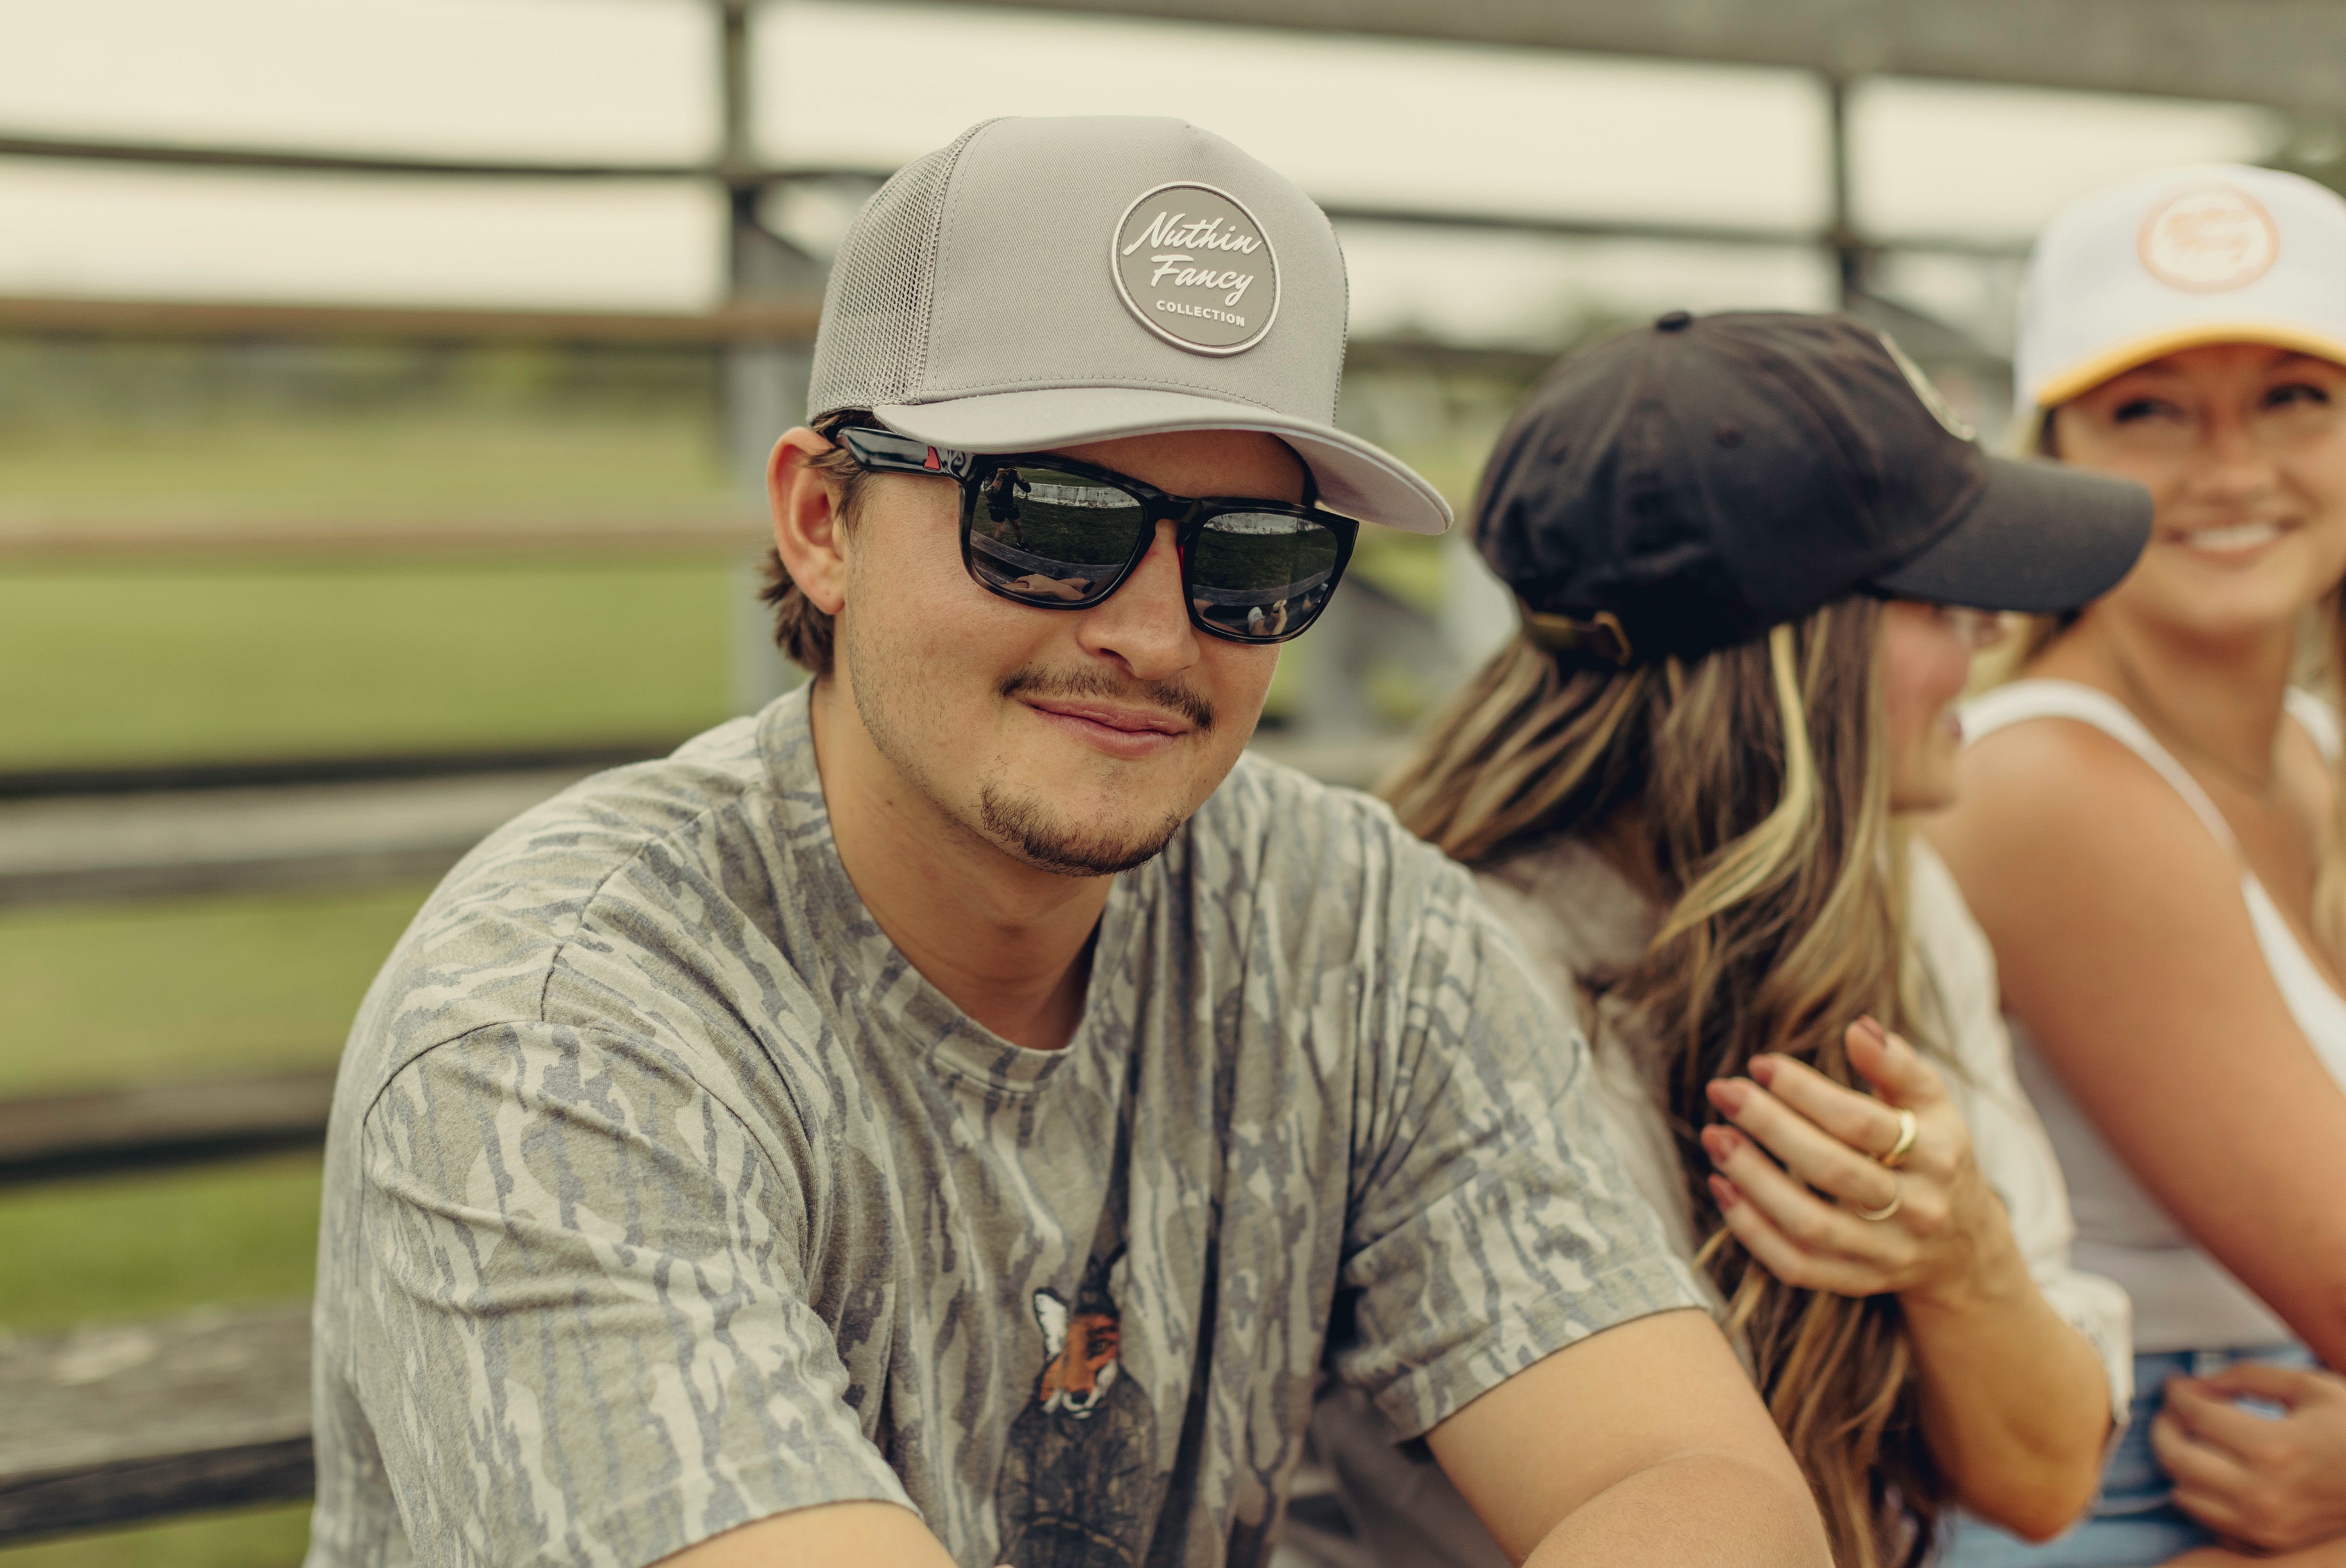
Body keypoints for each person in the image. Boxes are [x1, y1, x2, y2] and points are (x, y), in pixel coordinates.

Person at [302, 117, 1832, 1568]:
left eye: (1252, 558)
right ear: (821, 520)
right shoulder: (554, 1027)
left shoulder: (1351, 926)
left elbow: (1691, 1485)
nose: (1154, 633)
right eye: (1049, 520)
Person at [1299, 311, 2152, 1568]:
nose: (1991, 631)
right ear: (1793, 653)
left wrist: (1960, 1260)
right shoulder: (1460, 980)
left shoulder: (1899, 904)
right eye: (1938, 591)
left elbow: (2037, 1483)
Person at [1931, 164, 2346, 1567]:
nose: (2231, 468)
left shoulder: (2308, 747)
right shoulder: (2045, 779)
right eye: (2149, 413)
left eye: (2294, 396)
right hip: (2137, 1494)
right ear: (2051, 449)